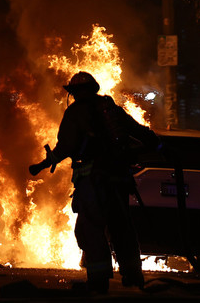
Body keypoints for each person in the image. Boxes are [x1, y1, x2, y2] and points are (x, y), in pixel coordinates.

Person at [29, 71, 159, 294]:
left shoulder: (75, 112)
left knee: (90, 229)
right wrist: (160, 147)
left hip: (94, 180)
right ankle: (133, 276)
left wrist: (43, 164)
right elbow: (139, 132)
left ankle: (98, 281)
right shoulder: (112, 110)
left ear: (75, 92)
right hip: (119, 179)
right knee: (122, 228)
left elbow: (66, 146)